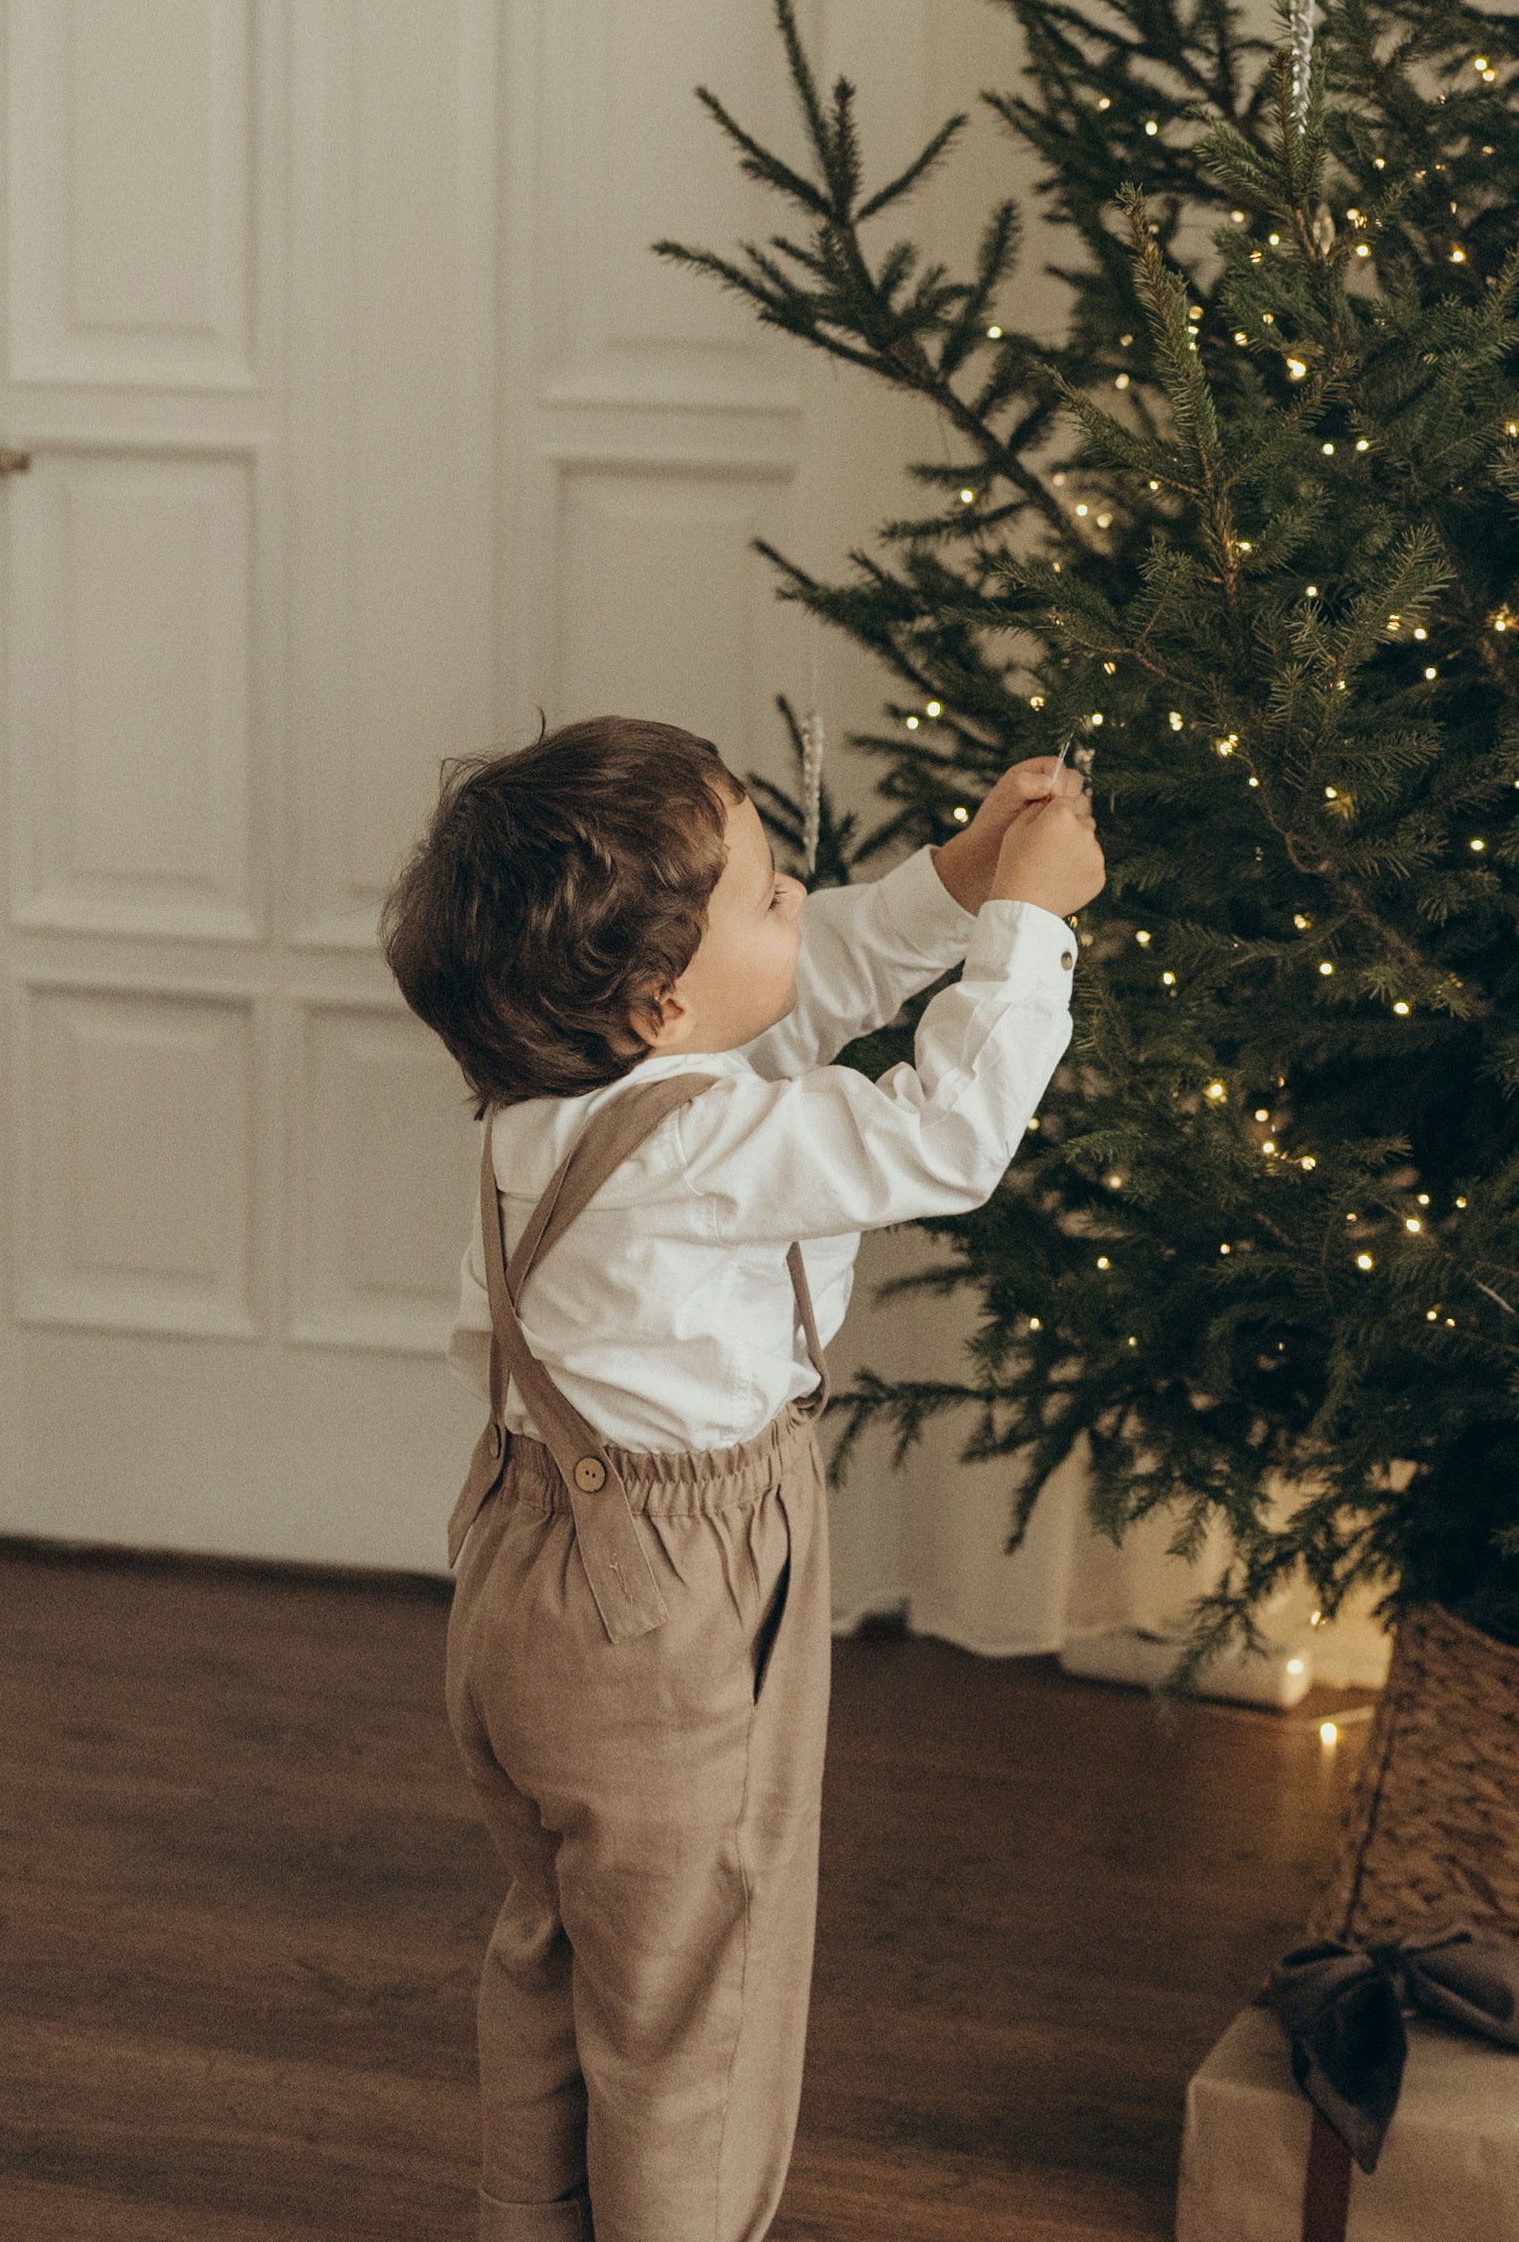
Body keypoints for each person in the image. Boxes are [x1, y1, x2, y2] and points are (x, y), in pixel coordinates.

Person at [382, 713, 1101, 2242]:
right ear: (658, 1001)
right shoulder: (699, 1145)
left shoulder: (563, 1099)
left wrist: (958, 880)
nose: (800, 902)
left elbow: (795, 993)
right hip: (673, 1584)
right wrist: (1027, 929)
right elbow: (946, 1136)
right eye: (773, 888)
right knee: (701, 1992)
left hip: (523, 1561)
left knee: (564, 1947)